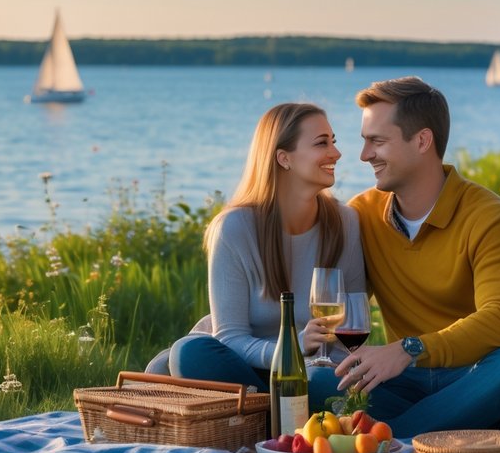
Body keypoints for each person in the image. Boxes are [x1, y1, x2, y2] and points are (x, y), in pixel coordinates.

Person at [328, 76, 500, 438]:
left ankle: (389, 440)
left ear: (421, 141)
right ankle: (424, 433)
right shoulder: (363, 215)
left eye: (377, 141)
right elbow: (336, 304)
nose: (364, 154)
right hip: (409, 384)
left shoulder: (489, 216)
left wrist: (410, 349)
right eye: (365, 141)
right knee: (322, 379)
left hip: (481, 377)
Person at [145, 102, 366, 412]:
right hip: (240, 367)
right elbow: (230, 337)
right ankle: (288, 419)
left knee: (333, 386)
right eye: (322, 143)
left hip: (312, 374)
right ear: (283, 158)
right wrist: (289, 349)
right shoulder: (235, 227)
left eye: (334, 141)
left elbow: (352, 324)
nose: (336, 153)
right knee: (189, 353)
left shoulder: (345, 222)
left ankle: (261, 420)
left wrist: (341, 372)